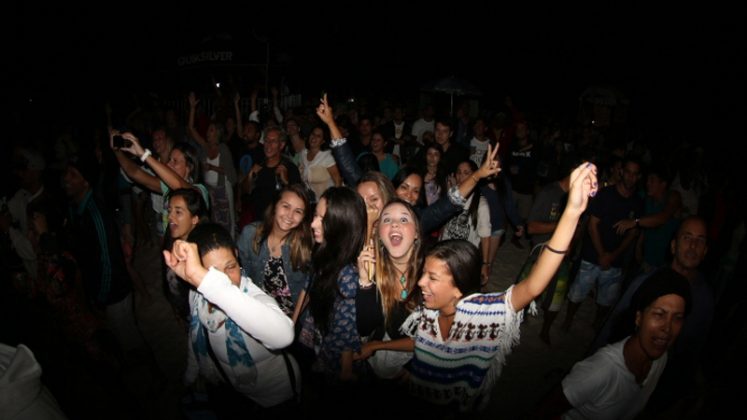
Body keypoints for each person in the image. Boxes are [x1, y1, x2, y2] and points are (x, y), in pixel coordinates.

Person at [363, 162, 598, 413]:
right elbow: (418, 340)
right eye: (423, 275)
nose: (420, 283)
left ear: (459, 290)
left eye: (431, 277)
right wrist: (379, 344)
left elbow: (531, 287)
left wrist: (572, 213)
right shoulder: (424, 309)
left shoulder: (475, 315)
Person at [163, 223, 299, 411]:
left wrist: (211, 284)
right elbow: (194, 338)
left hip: (275, 397)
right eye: (213, 273)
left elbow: (284, 335)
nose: (225, 279)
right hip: (232, 390)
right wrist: (191, 376)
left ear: (237, 255)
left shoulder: (251, 297)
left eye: (230, 266)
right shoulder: (197, 294)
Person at [538, 269, 691, 420]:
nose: (668, 328)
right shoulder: (601, 370)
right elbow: (545, 411)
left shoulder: (660, 360)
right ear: (638, 317)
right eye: (659, 314)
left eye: (677, 318)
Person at [304, 187, 367, 383]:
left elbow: (345, 334)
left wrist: (343, 372)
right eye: (315, 216)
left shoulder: (347, 275)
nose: (313, 224)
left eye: (323, 220)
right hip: (317, 344)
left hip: (331, 362)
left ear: (341, 225)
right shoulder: (323, 253)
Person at [355, 199, 423, 379]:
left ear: (416, 232)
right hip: (382, 365)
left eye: (403, 219)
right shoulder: (374, 272)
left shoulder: (430, 272)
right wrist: (364, 282)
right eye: (386, 220)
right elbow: (365, 327)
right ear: (379, 235)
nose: (394, 224)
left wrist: (377, 346)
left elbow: (432, 339)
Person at [237, 184, 313, 320]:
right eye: (286, 206)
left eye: (298, 211)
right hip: (259, 312)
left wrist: (292, 324)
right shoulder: (250, 234)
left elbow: (308, 289)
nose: (290, 215)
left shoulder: (306, 246)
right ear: (275, 206)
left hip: (292, 318)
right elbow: (243, 277)